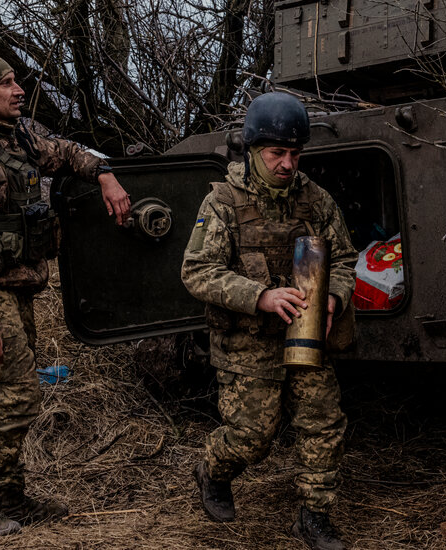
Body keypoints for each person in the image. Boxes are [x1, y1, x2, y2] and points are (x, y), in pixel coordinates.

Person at [0, 51, 131, 536]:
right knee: (18, 399)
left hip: (19, 291)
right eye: (7, 83)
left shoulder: (17, 139)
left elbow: (64, 153)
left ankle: (11, 497)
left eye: (17, 81)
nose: (19, 90)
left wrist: (105, 173)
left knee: (4, 398)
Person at [182, 92, 357, 550]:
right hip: (247, 342)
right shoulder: (223, 202)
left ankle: (314, 517)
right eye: (277, 153)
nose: (287, 164)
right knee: (252, 437)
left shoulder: (315, 200)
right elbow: (197, 271)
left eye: (295, 153)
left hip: (305, 336)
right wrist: (259, 295)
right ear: (253, 150)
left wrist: (335, 295)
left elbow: (343, 257)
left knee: (323, 423)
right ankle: (213, 468)